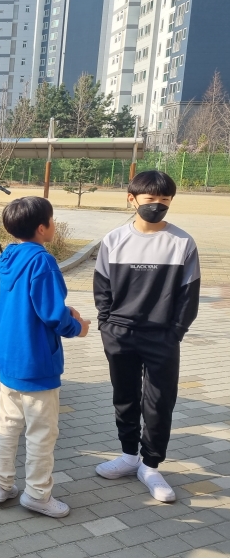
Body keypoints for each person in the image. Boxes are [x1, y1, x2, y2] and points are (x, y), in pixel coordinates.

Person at [94, 171, 200, 503]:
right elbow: (102, 288)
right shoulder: (113, 240)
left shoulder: (182, 242)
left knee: (159, 403)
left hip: (162, 338)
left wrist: (176, 332)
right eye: (150, 199)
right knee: (124, 397)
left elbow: (189, 295)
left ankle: (151, 465)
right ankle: (128, 456)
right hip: (120, 335)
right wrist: (106, 326)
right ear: (132, 199)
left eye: (164, 200)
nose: (157, 206)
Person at [0, 196, 89, 519]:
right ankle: (37, 494)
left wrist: (63, 313)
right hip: (36, 364)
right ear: (42, 227)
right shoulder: (41, 261)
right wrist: (78, 326)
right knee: (42, 432)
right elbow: (52, 314)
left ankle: (0, 484)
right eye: (53, 220)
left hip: (9, 362)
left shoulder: (7, 257)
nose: (55, 225)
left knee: (7, 426)